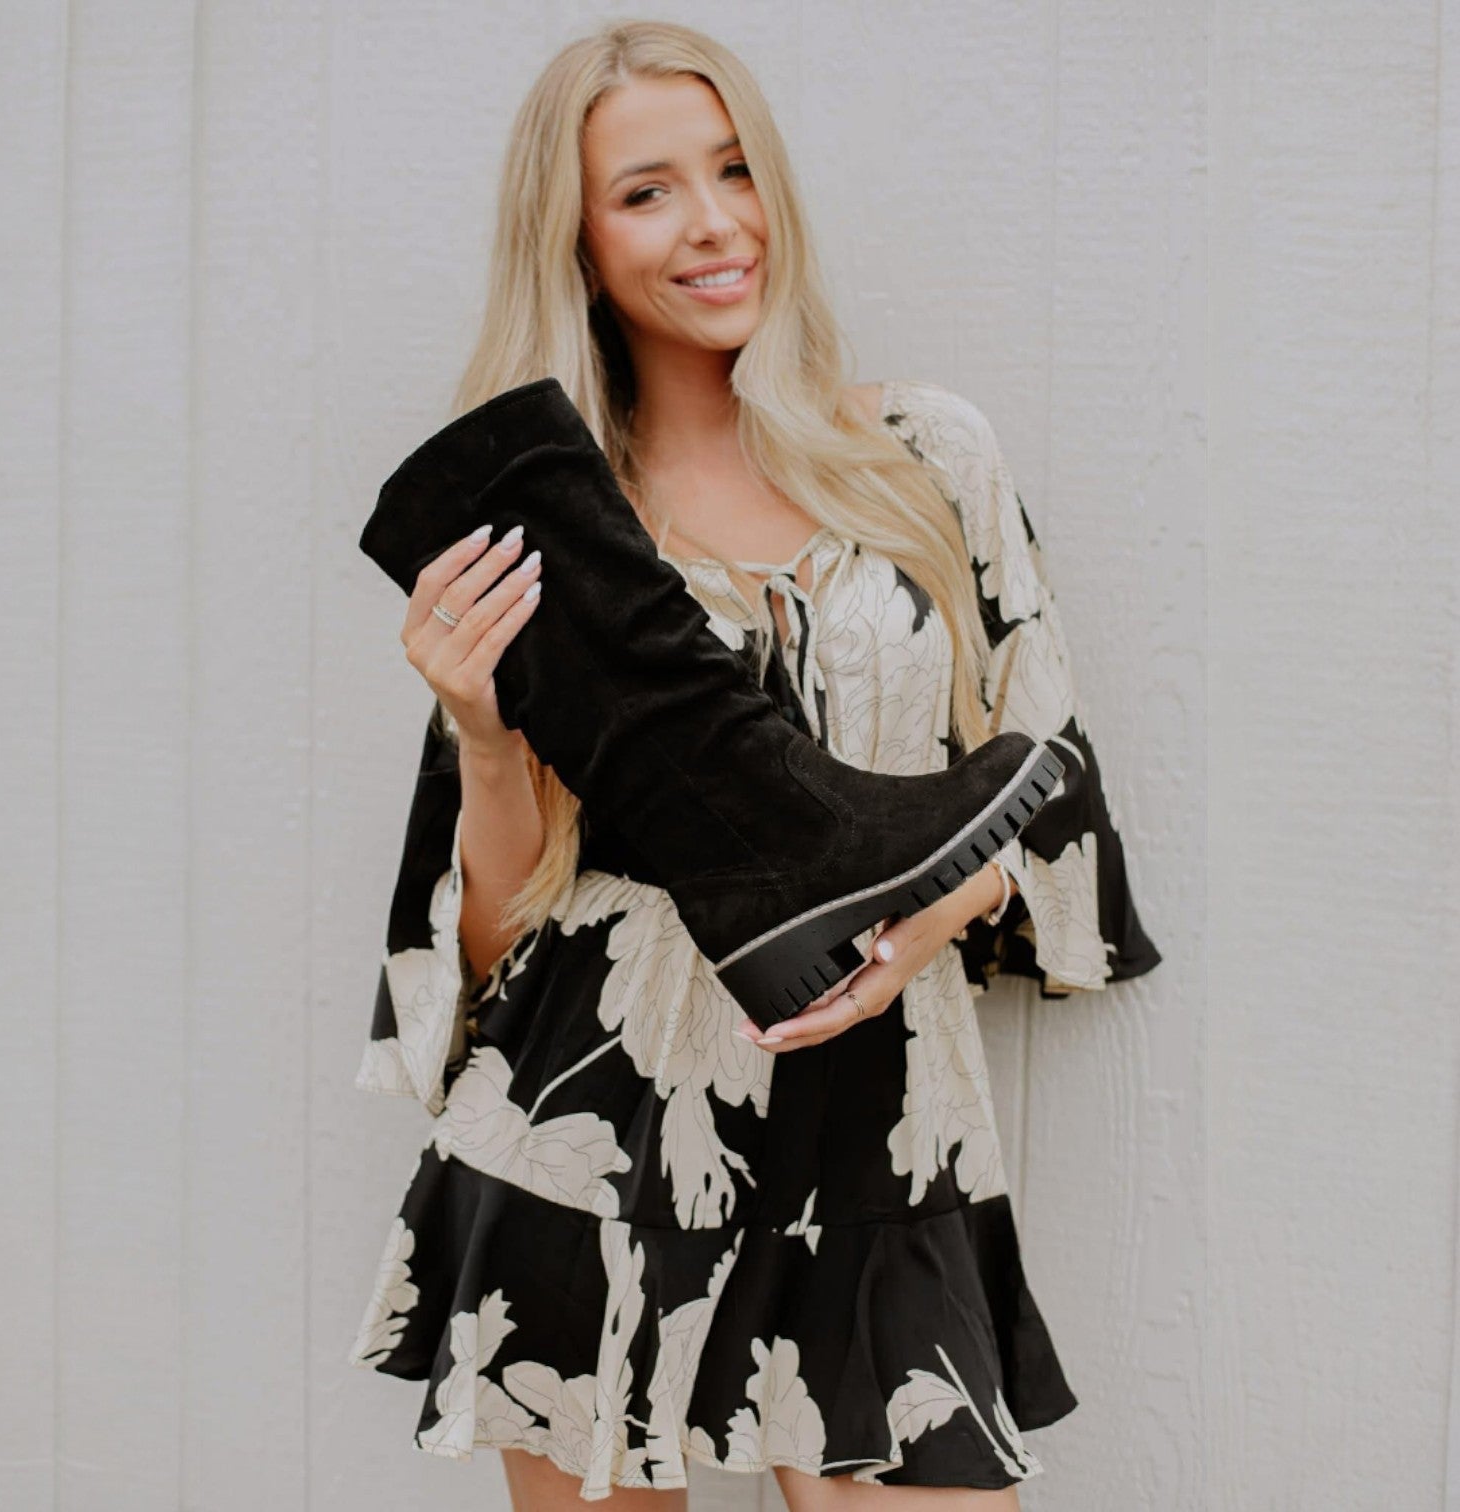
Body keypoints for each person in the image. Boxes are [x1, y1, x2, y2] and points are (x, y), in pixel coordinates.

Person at [348, 19, 1162, 1512]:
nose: (716, 223)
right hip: (595, 1121)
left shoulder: (925, 454)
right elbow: (496, 936)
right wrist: (483, 727)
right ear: (578, 241)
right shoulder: (554, 524)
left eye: (735, 172)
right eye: (646, 192)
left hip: (886, 1122)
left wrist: (921, 916)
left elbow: (1043, 786)